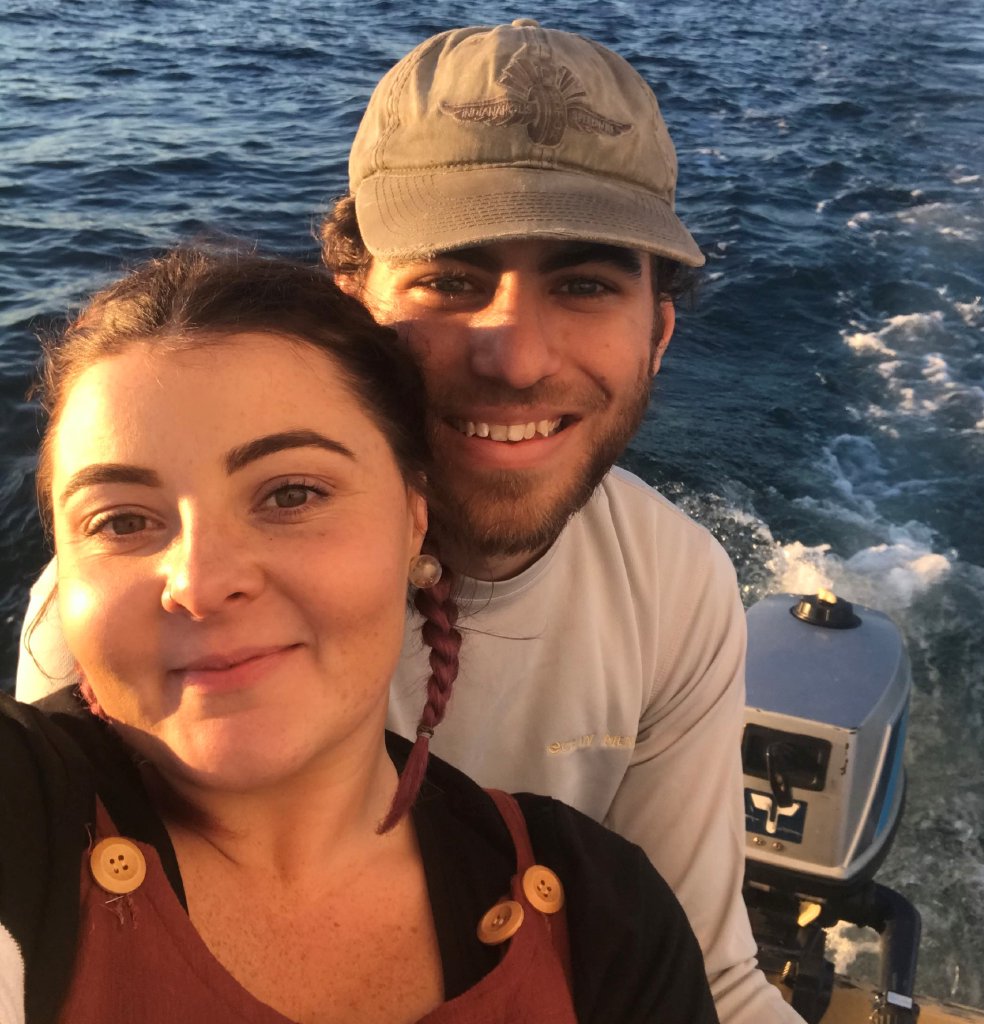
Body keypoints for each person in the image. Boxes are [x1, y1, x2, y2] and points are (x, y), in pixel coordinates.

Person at [16, 21, 802, 1023]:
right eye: (450, 280)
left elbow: (704, 977)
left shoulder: (675, 585)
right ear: (354, 307)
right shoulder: (131, 620)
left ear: (658, 330)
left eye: (583, 282)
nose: (515, 357)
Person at [1, 248, 719, 1024]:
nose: (201, 584)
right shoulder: (26, 811)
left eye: (291, 494)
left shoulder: (606, 917)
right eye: (122, 521)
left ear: (415, 519)